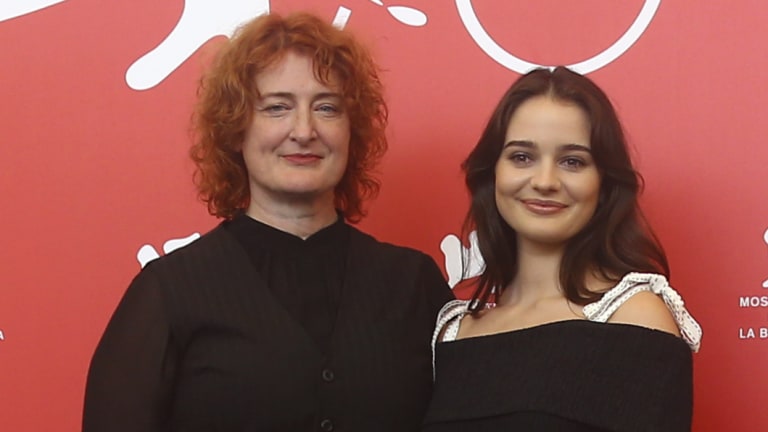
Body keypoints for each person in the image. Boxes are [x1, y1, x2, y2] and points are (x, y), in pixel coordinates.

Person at [83, 11, 453, 432]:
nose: (303, 130)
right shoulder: (168, 291)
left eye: (327, 107)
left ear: (352, 131)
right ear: (237, 130)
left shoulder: (415, 285)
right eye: (277, 107)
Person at [422, 67, 702, 431]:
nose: (544, 181)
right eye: (522, 157)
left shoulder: (635, 315)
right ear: (492, 174)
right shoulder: (452, 330)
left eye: (572, 161)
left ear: (604, 183)